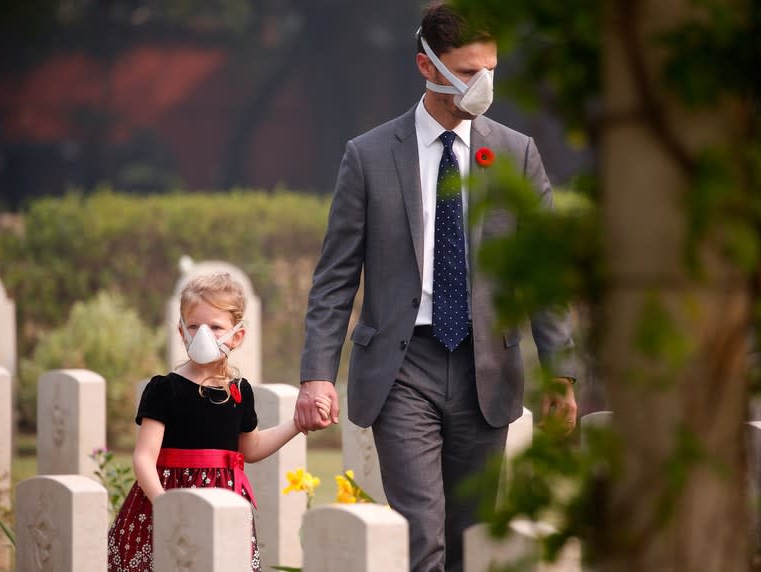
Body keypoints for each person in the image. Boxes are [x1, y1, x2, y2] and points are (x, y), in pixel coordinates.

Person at [295, 3, 578, 571]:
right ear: (427, 67)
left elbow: (544, 276)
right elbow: (335, 278)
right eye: (470, 72)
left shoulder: (517, 154)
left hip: (487, 369)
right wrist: (316, 375)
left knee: (472, 536)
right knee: (422, 532)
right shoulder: (369, 156)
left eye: (492, 69)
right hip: (403, 369)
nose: (485, 85)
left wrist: (561, 372)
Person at [107, 272, 303, 572]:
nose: (203, 335)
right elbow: (144, 458)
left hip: (224, 502)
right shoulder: (165, 389)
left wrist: (297, 425)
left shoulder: (239, 392)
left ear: (236, 336)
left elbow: (251, 448)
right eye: (195, 326)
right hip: (168, 499)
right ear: (182, 331)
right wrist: (165, 505)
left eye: (215, 327)